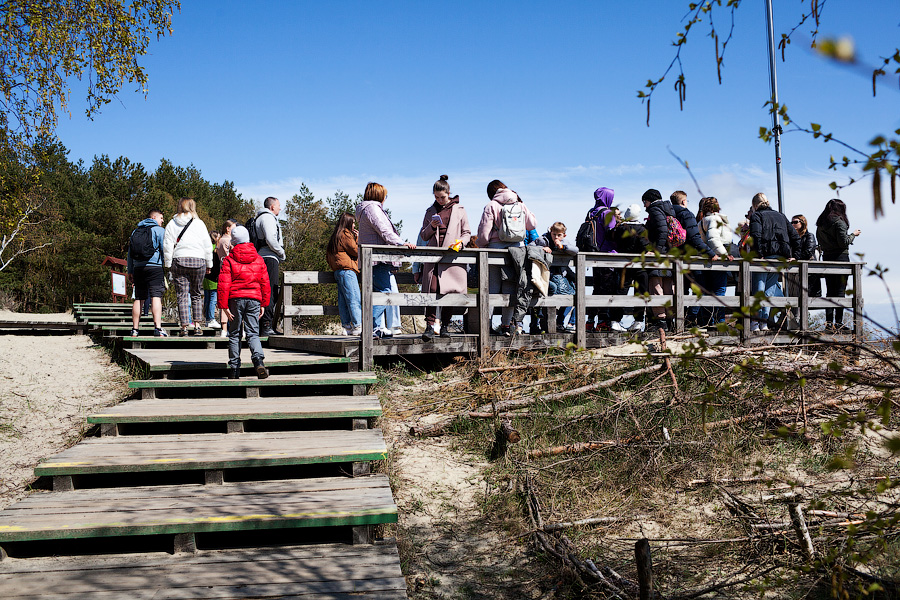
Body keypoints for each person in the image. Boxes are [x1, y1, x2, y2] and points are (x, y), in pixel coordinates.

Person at [475, 179, 537, 336]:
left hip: (495, 251)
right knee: (511, 288)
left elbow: (484, 233)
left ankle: (486, 326)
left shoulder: (491, 205)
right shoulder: (519, 202)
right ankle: (506, 326)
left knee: (492, 289)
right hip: (517, 251)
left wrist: (481, 246)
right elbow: (532, 225)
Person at [356, 182, 415, 338]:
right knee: (385, 293)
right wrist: (402, 244)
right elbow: (384, 230)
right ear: (379, 195)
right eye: (385, 195)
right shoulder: (372, 209)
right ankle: (370, 328)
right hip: (377, 259)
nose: (385, 199)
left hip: (372, 260)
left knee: (376, 293)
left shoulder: (365, 210)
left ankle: (375, 328)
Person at [419, 175, 471, 341]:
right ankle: (429, 325)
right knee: (431, 290)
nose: (439, 200)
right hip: (433, 259)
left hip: (452, 258)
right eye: (436, 197)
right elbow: (423, 235)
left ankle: (445, 326)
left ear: (449, 193)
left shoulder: (460, 210)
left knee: (449, 291)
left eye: (442, 197)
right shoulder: (429, 212)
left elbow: (467, 233)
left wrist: (460, 243)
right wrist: (430, 226)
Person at [217, 225, 270, 380]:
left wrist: (223, 306)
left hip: (235, 300)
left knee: (234, 334)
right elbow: (265, 283)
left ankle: (234, 369)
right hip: (254, 299)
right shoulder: (259, 259)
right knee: (253, 332)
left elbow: (223, 284)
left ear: (234, 241)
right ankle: (258, 360)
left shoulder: (229, 260)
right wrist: (263, 304)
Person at [747, 192, 800, 333]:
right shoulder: (781, 216)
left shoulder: (757, 216)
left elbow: (756, 236)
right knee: (769, 290)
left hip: (764, 257)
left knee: (759, 288)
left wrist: (759, 254)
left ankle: (755, 322)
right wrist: (795, 255)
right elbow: (795, 236)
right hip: (780, 257)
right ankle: (764, 322)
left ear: (754, 205)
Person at [163, 198, 213, 337]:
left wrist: (168, 264)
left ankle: (184, 327)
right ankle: (197, 326)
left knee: (182, 295)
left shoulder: (172, 223)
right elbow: (207, 245)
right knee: (196, 294)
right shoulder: (199, 223)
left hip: (179, 260)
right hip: (198, 260)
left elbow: (167, 244)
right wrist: (209, 264)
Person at [816, 199, 860, 331]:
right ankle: (839, 323)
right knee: (840, 291)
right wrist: (853, 234)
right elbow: (843, 242)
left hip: (827, 257)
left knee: (830, 291)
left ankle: (829, 323)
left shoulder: (821, 224)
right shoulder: (839, 222)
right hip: (840, 258)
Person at [581, 187, 621, 332]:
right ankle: (603, 321)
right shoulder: (606, 213)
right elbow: (611, 233)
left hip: (594, 255)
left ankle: (590, 320)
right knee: (607, 289)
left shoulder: (592, 212)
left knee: (597, 288)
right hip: (607, 255)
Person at [530, 222, 578, 333]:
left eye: (559, 235)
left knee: (572, 294)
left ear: (564, 235)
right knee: (541, 293)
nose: (556, 237)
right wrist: (542, 249)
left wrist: (562, 247)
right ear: (550, 232)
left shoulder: (564, 241)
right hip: (544, 274)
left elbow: (575, 250)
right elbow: (529, 248)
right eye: (554, 234)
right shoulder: (543, 240)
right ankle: (535, 324)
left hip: (560, 275)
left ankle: (560, 322)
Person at [611, 204, 652, 332]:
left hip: (624, 266)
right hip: (641, 266)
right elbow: (646, 246)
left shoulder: (620, 229)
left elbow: (612, 239)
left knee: (621, 292)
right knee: (640, 292)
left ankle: (615, 320)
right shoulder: (643, 229)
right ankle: (638, 321)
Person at [127, 208, 167, 337]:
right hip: (155, 267)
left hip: (138, 268)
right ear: (154, 218)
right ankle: (158, 328)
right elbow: (164, 250)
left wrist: (130, 270)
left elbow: (130, 254)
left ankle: (135, 329)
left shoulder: (135, 231)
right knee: (156, 296)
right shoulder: (159, 231)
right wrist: (167, 266)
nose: (162, 221)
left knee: (139, 298)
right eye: (161, 218)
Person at [641, 188, 678, 331]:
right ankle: (669, 320)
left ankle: (661, 321)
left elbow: (662, 231)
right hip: (668, 253)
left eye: (645, 202)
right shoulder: (668, 209)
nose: (645, 206)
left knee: (656, 286)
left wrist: (656, 250)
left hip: (659, 255)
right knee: (668, 286)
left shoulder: (655, 210)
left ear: (650, 200)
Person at [254, 197, 286, 337]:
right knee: (270, 291)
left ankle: (266, 325)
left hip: (264, 257)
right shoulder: (267, 218)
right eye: (279, 205)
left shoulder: (263, 217)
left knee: (266, 291)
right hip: (269, 258)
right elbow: (271, 239)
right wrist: (281, 253)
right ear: (272, 207)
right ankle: (266, 326)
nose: (280, 208)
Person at [326, 212, 362, 336]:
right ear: (347, 223)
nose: (354, 225)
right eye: (352, 223)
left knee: (343, 300)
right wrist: (358, 238)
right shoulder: (345, 234)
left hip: (338, 271)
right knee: (354, 298)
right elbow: (356, 251)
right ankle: (357, 325)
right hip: (347, 271)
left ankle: (346, 326)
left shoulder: (335, 236)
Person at [697, 197, 732, 324]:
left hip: (707, 259)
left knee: (708, 291)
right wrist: (724, 254)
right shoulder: (714, 219)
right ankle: (720, 321)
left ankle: (706, 321)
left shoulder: (702, 221)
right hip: (718, 260)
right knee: (719, 290)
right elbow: (713, 239)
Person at [784, 214, 820, 328]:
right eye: (791, 222)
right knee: (792, 295)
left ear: (802, 223)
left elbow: (809, 251)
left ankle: (799, 322)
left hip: (806, 273)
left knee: (801, 296)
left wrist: (797, 258)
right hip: (792, 271)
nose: (793, 224)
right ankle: (792, 323)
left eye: (795, 222)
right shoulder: (790, 238)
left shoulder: (809, 236)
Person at [215, 219, 238, 338]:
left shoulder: (219, 241)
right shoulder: (228, 241)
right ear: (228, 229)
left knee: (223, 299)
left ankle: (224, 328)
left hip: (221, 270)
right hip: (231, 272)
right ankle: (235, 326)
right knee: (232, 299)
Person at [203, 230, 222, 330]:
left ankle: (207, 318)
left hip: (205, 278)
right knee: (213, 300)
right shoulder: (216, 250)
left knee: (207, 298)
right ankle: (211, 318)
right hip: (214, 278)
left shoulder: (207, 249)